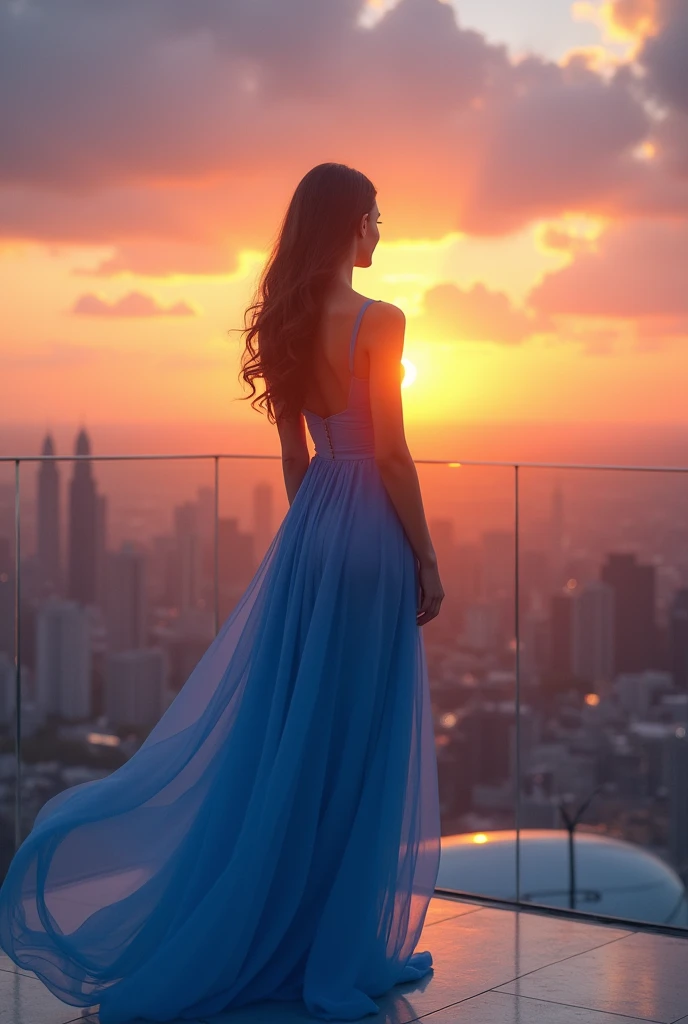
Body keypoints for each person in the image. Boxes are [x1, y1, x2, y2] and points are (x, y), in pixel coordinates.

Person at [0, 162, 444, 1022]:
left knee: (301, 731)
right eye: (376, 217)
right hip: (370, 535)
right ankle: (338, 942)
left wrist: (315, 531)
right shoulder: (382, 321)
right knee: (356, 737)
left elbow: (295, 458)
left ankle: (289, 922)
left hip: (314, 527)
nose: (381, 231)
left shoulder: (283, 324)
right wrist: (423, 553)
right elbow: (390, 452)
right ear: (351, 223)